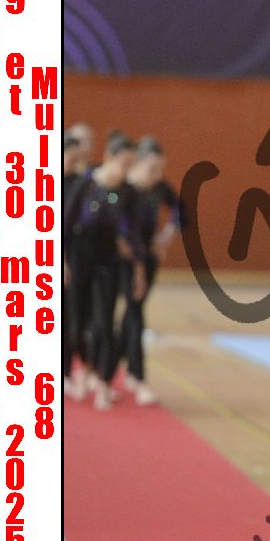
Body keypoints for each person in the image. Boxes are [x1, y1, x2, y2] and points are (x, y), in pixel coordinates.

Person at [64, 133, 146, 409]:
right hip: (80, 257)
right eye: (124, 163)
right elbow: (65, 224)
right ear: (109, 157)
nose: (127, 170)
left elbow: (134, 234)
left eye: (132, 165)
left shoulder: (127, 192)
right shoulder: (85, 183)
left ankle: (104, 382)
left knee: (105, 323)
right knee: (77, 326)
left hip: (109, 259)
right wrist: (63, 261)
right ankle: (84, 368)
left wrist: (138, 271)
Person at [118, 137, 184, 405]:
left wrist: (166, 236)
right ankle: (133, 374)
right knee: (131, 313)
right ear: (138, 163)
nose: (158, 174)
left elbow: (180, 211)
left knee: (134, 312)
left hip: (148, 256)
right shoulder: (125, 188)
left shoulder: (160, 188)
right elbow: (115, 222)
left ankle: (129, 372)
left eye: (161, 169)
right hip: (124, 257)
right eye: (152, 168)